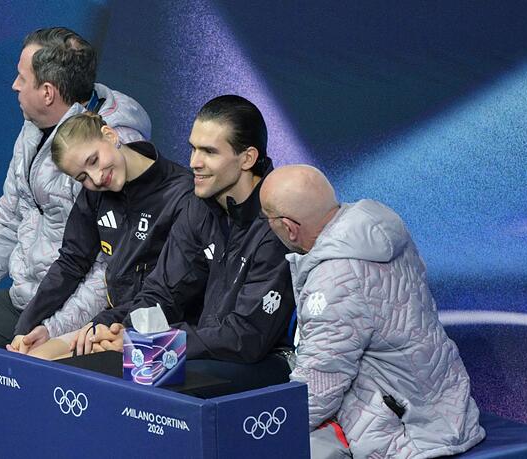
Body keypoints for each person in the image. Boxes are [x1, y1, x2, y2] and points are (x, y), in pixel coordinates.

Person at [0, 27, 151, 347]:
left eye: (22, 77)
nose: (14, 85)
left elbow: (110, 269)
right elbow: (10, 214)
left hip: (84, 320)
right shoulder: (34, 126)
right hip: (28, 301)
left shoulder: (111, 151)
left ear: (48, 92)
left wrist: (50, 331)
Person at [70, 95, 296, 397]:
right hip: (207, 350)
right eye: (193, 148)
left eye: (209, 152)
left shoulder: (276, 221)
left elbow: (246, 336)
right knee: (101, 364)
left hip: (264, 361)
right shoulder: (199, 206)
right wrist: (119, 326)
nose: (194, 162)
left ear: (247, 158)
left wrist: (159, 342)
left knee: (145, 373)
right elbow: (162, 291)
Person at [259, 165, 485, 458]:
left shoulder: (334, 280)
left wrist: (266, 428)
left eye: (268, 220)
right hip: (447, 411)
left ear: (289, 227)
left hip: (406, 435)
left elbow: (318, 387)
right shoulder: (375, 232)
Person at [5, 111, 193, 356]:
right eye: (82, 177)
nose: (96, 178)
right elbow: (71, 262)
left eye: (93, 160)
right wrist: (26, 327)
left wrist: (102, 325)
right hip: (114, 322)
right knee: (31, 354)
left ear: (110, 135)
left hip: (161, 329)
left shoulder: (182, 194)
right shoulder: (95, 194)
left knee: (46, 361)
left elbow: (169, 293)